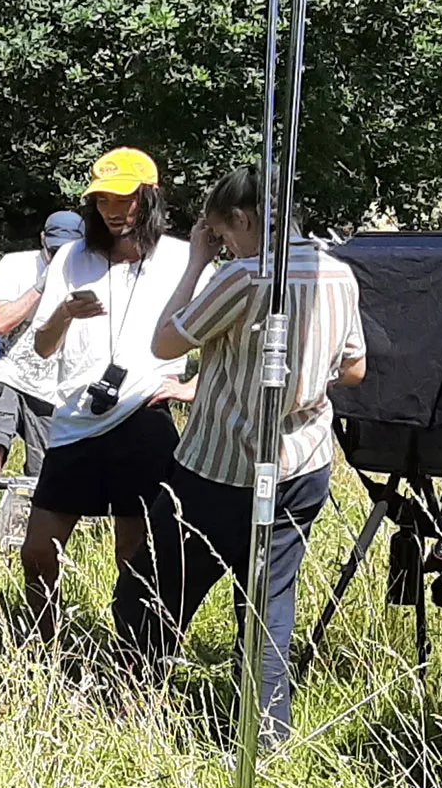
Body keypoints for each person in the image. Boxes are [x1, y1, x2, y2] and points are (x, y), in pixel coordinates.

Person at [113, 165, 367, 743]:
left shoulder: (246, 277)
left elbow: (165, 341)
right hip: (303, 464)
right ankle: (266, 733)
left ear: (246, 219)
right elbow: (355, 368)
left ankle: (131, 706)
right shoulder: (338, 274)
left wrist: (198, 263)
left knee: (155, 588)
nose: (221, 242)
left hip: (220, 466)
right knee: (269, 603)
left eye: (224, 233)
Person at [20, 147, 204, 641]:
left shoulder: (185, 258)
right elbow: (41, 346)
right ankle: (43, 649)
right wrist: (63, 314)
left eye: (123, 199)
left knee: (135, 553)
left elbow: (233, 336)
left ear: (150, 197)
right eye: (101, 200)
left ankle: (131, 653)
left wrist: (191, 387)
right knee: (38, 549)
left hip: (144, 416)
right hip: (76, 421)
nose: (112, 210)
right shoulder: (71, 257)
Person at [0, 209, 85, 539]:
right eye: (54, 249)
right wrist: (42, 285)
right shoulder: (15, 264)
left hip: (48, 385)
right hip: (3, 370)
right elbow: (0, 321)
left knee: (42, 464)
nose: (58, 256)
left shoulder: (87, 273)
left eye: (67, 250)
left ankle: (29, 533)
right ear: (42, 242)